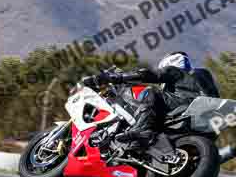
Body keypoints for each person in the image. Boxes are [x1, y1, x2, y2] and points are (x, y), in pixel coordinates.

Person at [89, 52, 219, 149]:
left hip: (183, 107)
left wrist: (117, 78)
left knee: (150, 91)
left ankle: (142, 128)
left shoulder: (175, 71)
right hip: (205, 124)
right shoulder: (202, 74)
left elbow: (149, 75)